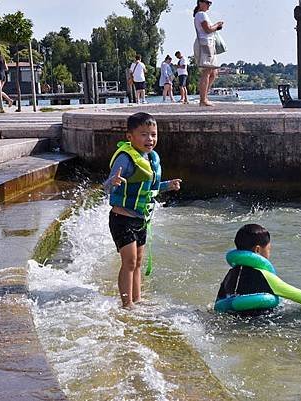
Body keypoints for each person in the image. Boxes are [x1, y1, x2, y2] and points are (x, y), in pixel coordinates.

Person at [104, 112, 182, 308]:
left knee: (138, 262)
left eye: (153, 134)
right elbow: (106, 185)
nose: (150, 139)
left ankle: (137, 299)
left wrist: (167, 185)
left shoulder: (152, 158)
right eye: (144, 134)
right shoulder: (125, 158)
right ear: (130, 137)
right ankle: (126, 303)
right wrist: (113, 182)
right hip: (122, 218)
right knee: (129, 262)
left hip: (141, 220)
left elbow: (150, 187)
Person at [215, 224, 301, 314]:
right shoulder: (263, 275)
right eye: (269, 249)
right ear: (258, 250)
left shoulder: (230, 275)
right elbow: (300, 296)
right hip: (259, 324)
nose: (269, 252)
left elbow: (218, 304)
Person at [193, 0, 223, 106]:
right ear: (200, 2)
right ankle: (203, 99)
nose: (209, 5)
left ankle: (204, 96)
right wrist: (217, 25)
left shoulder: (201, 14)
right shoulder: (201, 14)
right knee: (207, 71)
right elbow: (207, 29)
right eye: (207, 3)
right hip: (205, 44)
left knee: (213, 72)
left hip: (208, 44)